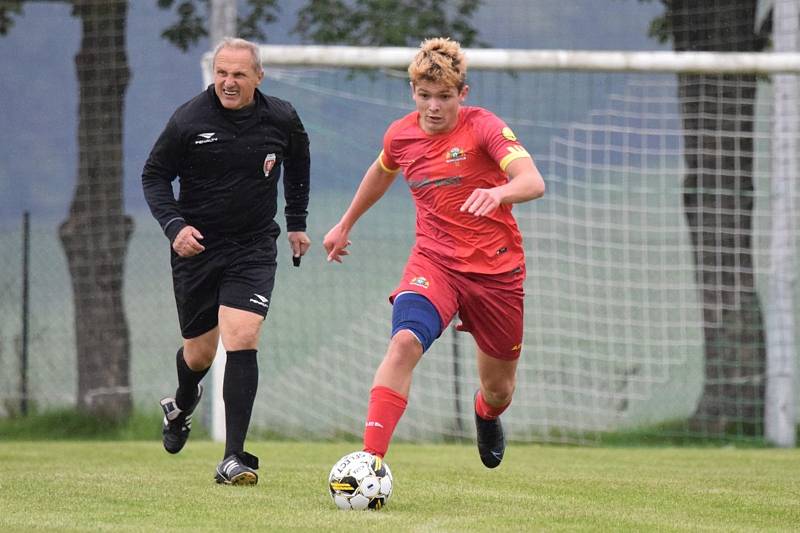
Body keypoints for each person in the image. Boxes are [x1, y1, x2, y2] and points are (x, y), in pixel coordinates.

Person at [323, 37, 545, 468]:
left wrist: (499, 192)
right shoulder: (401, 135)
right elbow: (382, 170)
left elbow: (532, 182)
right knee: (404, 342)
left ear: (463, 94)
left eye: (444, 97)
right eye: (425, 96)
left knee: (500, 390)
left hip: (496, 271)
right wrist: (346, 222)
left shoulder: (485, 128)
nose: (434, 107)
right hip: (435, 263)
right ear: (413, 93)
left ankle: (485, 414)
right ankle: (369, 462)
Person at [141, 37, 311, 485]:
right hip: (197, 248)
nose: (228, 82)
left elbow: (298, 163)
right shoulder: (188, 120)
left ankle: (233, 457)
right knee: (199, 353)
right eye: (222, 73)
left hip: (253, 246)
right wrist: (175, 227)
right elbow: (154, 176)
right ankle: (180, 404)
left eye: (238, 74)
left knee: (243, 334)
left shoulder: (281, 117)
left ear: (259, 76)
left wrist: (296, 222)